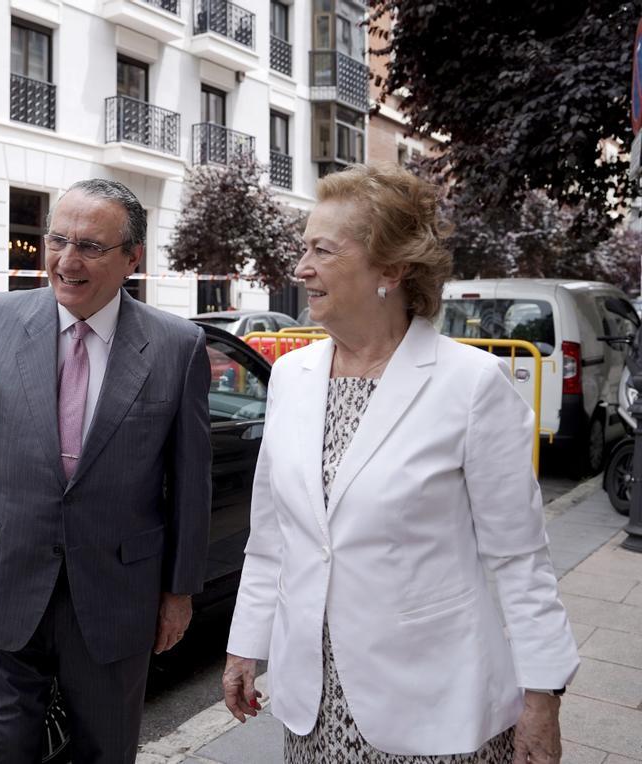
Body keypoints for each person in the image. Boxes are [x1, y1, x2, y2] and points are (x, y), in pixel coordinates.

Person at [222, 163, 579, 764]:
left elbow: (520, 559)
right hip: (316, 704)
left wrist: (542, 699)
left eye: (322, 250)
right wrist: (244, 646)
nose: (301, 268)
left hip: (433, 699)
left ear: (391, 269)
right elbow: (271, 537)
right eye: (303, 247)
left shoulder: (471, 384)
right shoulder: (291, 375)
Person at [0, 178, 212, 762]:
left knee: (105, 751)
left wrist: (179, 591)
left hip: (116, 594)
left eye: (90, 246)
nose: (66, 260)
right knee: (1, 751)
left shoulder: (176, 346)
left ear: (133, 257)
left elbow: (190, 483)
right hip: (5, 579)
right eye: (57, 239)